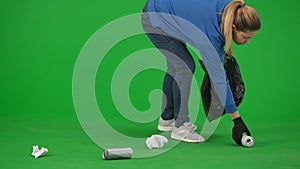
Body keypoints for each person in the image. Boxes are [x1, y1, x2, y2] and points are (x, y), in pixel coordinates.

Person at [141, 0, 261, 145]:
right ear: (233, 27)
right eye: (245, 37)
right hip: (155, 18)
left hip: (164, 11)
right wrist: (236, 119)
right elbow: (220, 80)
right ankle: (180, 127)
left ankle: (167, 118)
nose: (247, 42)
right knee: (184, 66)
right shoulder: (213, 34)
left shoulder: (232, 8)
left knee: (176, 65)